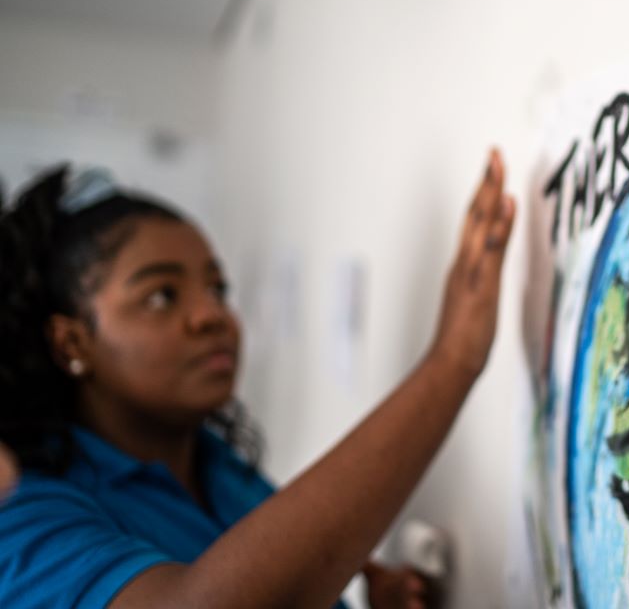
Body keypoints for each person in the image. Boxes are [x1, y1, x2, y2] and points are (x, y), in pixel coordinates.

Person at [0, 152, 515, 609]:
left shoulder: (219, 466)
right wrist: (452, 362)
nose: (212, 316)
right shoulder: (21, 513)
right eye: (162, 296)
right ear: (72, 344)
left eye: (217, 289)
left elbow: (278, 572)